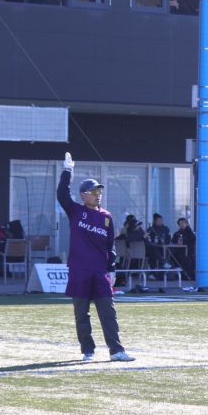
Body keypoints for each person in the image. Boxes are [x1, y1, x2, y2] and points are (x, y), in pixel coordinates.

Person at [56, 152, 134, 362]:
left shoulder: (106, 216)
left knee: (108, 311)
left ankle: (116, 350)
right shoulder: (75, 211)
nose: (98, 194)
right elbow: (62, 194)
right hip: (79, 270)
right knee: (81, 313)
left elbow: (110, 245)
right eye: (93, 191)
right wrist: (67, 171)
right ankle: (87, 350)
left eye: (99, 191)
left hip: (100, 272)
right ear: (83, 195)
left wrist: (112, 268)